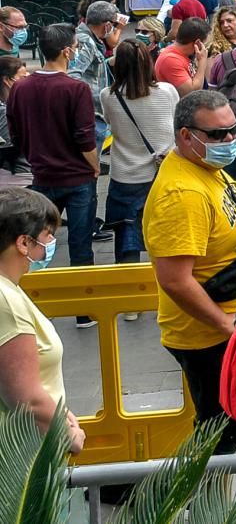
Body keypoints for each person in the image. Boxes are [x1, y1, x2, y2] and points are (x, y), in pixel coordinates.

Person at [144, 89, 236, 456]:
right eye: (217, 135)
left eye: (234, 130)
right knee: (220, 432)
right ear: (186, 136)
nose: (230, 140)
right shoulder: (182, 194)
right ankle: (197, 502)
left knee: (225, 424)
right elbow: (174, 279)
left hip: (231, 324)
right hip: (208, 338)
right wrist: (225, 325)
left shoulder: (205, 169)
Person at [5, 25, 100, 328]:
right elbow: (85, 138)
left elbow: (15, 129)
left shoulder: (20, 87)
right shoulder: (76, 88)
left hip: (41, 175)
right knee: (81, 245)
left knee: (34, 243)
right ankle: (85, 310)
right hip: (77, 178)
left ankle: (27, 306)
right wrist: (95, 165)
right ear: (67, 51)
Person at [0, 188, 85, 452]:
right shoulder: (6, 301)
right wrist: (69, 437)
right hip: (25, 457)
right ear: (23, 243)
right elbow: (27, 400)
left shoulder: (10, 290)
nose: (50, 243)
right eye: (47, 236)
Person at [101, 40, 178, 271]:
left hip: (125, 175)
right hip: (163, 173)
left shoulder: (108, 96)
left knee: (126, 236)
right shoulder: (167, 92)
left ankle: (127, 288)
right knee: (165, 232)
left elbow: (107, 121)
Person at [68, 0, 118, 148]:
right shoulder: (85, 41)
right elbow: (72, 75)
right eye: (114, 25)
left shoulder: (89, 39)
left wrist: (107, 62)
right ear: (107, 25)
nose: (114, 29)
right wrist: (85, 103)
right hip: (90, 113)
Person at [154, 18, 210, 97]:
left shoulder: (183, 55)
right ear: (198, 43)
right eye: (205, 43)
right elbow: (193, 93)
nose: (205, 48)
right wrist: (202, 62)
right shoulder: (170, 60)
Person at [0, 57, 31, 187]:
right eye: (23, 78)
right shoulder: (5, 111)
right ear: (7, 80)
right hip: (17, 181)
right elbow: (8, 149)